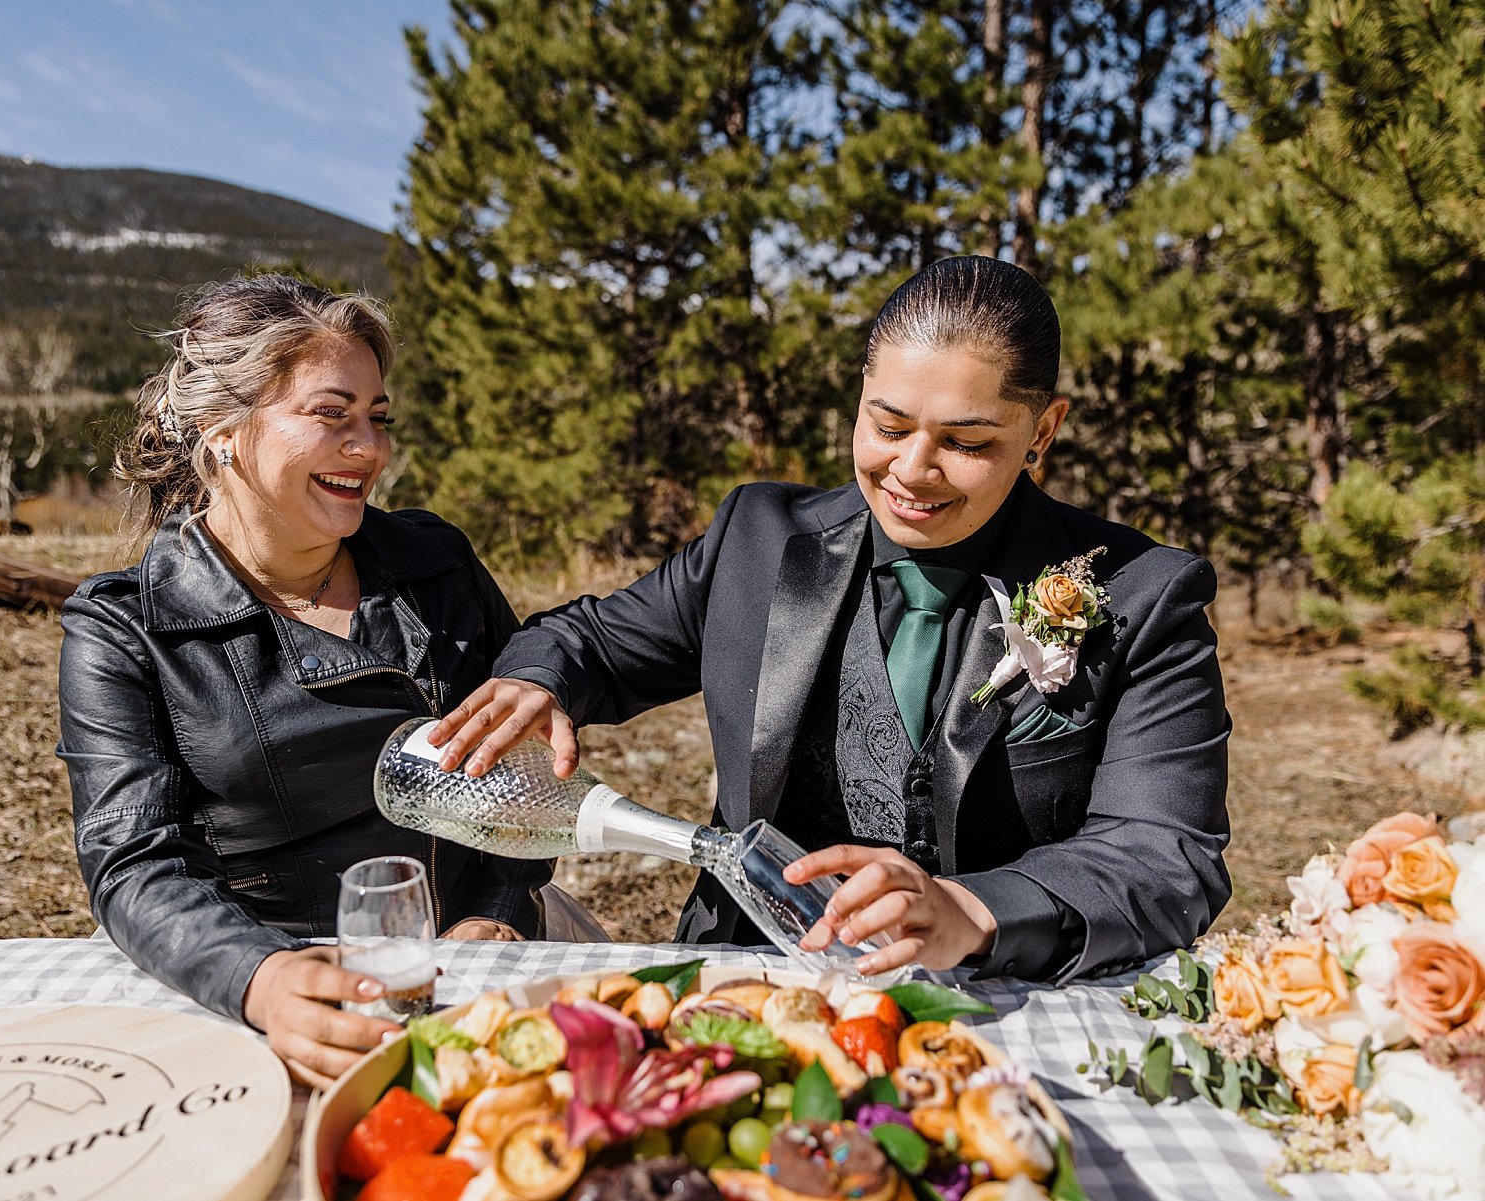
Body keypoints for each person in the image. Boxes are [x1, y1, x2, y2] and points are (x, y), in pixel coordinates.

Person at [429, 255, 1230, 983]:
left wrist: (977, 912)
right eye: (887, 426)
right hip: (747, 976)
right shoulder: (757, 540)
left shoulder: (1141, 594)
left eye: (966, 441)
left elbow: (1167, 854)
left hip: (1002, 997)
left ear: (1042, 431)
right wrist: (538, 679)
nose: (912, 470)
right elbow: (587, 639)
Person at [57, 273, 549, 1088]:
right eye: (333, 414)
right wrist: (262, 980)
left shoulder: (438, 562)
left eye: (378, 418)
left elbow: (525, 764)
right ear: (223, 431)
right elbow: (132, 861)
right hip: (272, 991)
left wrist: (496, 913)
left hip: (483, 958)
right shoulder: (124, 629)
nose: (371, 447)